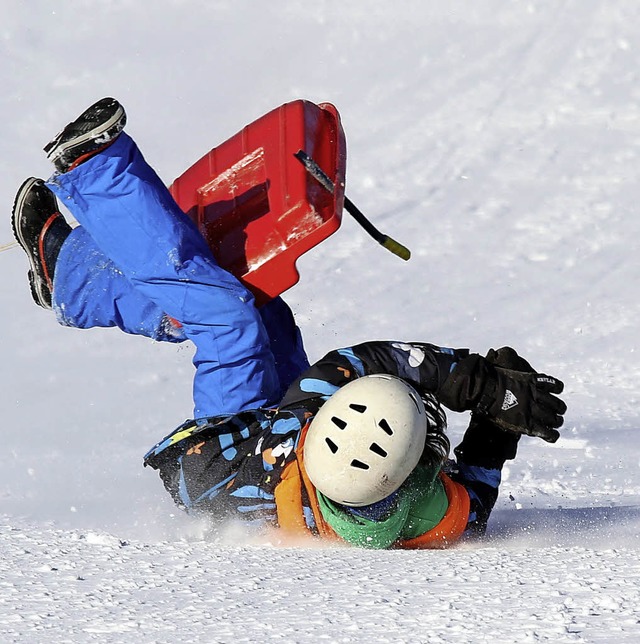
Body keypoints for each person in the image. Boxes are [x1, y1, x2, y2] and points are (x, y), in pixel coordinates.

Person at [12, 98, 567, 549]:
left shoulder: (304, 415)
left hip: (218, 455)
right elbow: (476, 504)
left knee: (227, 319)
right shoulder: (424, 512)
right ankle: (67, 271)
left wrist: (469, 381)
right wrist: (501, 421)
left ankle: (95, 170)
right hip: (280, 458)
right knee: (260, 308)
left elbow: (360, 362)